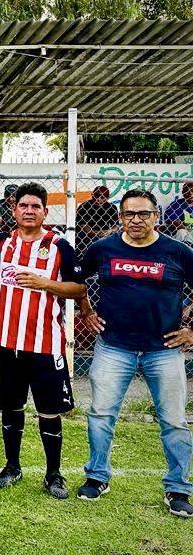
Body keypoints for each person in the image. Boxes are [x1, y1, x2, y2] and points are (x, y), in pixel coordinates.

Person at [77, 189, 193, 516]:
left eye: (144, 214)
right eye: (130, 214)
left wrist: (191, 330)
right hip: (114, 346)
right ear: (120, 217)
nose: (137, 220)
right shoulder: (102, 249)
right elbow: (76, 281)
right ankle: (97, 476)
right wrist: (86, 311)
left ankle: (178, 488)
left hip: (164, 349)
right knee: (101, 414)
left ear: (157, 216)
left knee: (173, 420)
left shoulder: (177, 251)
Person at [0, 182, 86, 499]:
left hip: (46, 346)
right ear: (14, 210)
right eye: (23, 206)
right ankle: (13, 466)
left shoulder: (59, 244)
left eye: (35, 206)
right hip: (5, 344)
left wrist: (44, 283)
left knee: (49, 411)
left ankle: (53, 474)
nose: (29, 211)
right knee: (10, 408)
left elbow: (78, 288)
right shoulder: (2, 244)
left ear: (45, 211)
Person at [76, 185, 118, 255]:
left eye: (102, 197)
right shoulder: (84, 206)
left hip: (104, 235)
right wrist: (96, 233)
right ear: (92, 195)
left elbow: (116, 226)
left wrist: (109, 231)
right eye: (96, 196)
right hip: (86, 236)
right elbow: (82, 226)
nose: (98, 199)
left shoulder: (112, 208)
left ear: (107, 198)